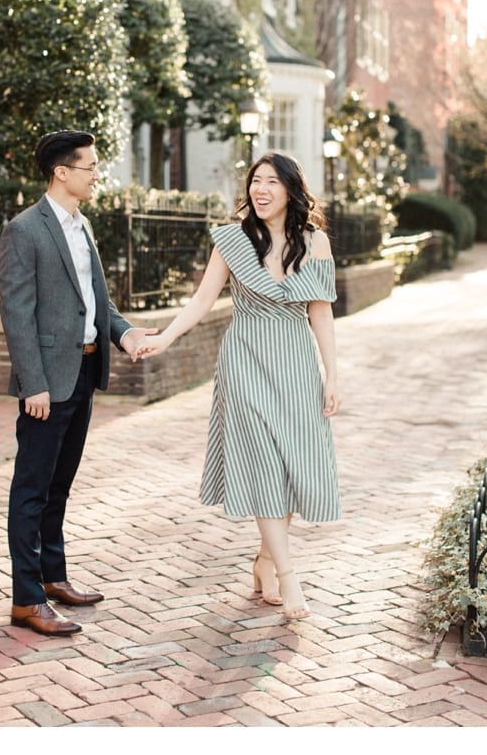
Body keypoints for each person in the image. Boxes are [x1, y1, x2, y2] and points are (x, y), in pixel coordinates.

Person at [136, 152, 339, 621]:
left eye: (271, 182)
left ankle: (266, 560)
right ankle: (290, 578)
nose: (261, 190)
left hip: (296, 363)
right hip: (245, 361)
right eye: (255, 181)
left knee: (294, 463)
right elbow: (202, 301)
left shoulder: (316, 243)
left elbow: (320, 311)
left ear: (291, 189)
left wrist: (333, 374)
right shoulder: (231, 241)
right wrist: (164, 337)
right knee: (265, 464)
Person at [1, 130, 153, 636]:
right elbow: (17, 316)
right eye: (88, 166)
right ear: (61, 172)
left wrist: (126, 335)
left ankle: (52, 576)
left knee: (59, 485)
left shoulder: (82, 226)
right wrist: (33, 384)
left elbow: (96, 304)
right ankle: (26, 599)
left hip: (85, 373)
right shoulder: (25, 230)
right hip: (47, 383)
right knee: (31, 489)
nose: (95, 173)